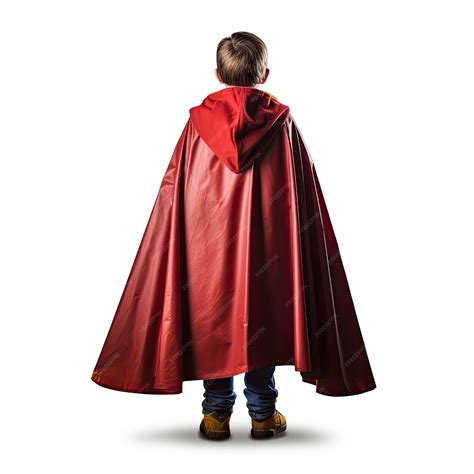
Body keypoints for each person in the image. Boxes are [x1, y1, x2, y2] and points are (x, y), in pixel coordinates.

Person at [91, 31, 376, 441]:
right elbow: (300, 190)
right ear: (265, 73)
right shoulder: (281, 123)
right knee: (262, 314)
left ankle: (216, 415)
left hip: (206, 251)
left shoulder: (196, 126)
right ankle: (262, 415)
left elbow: (179, 190)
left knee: (213, 321)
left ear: (217, 74)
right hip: (271, 249)